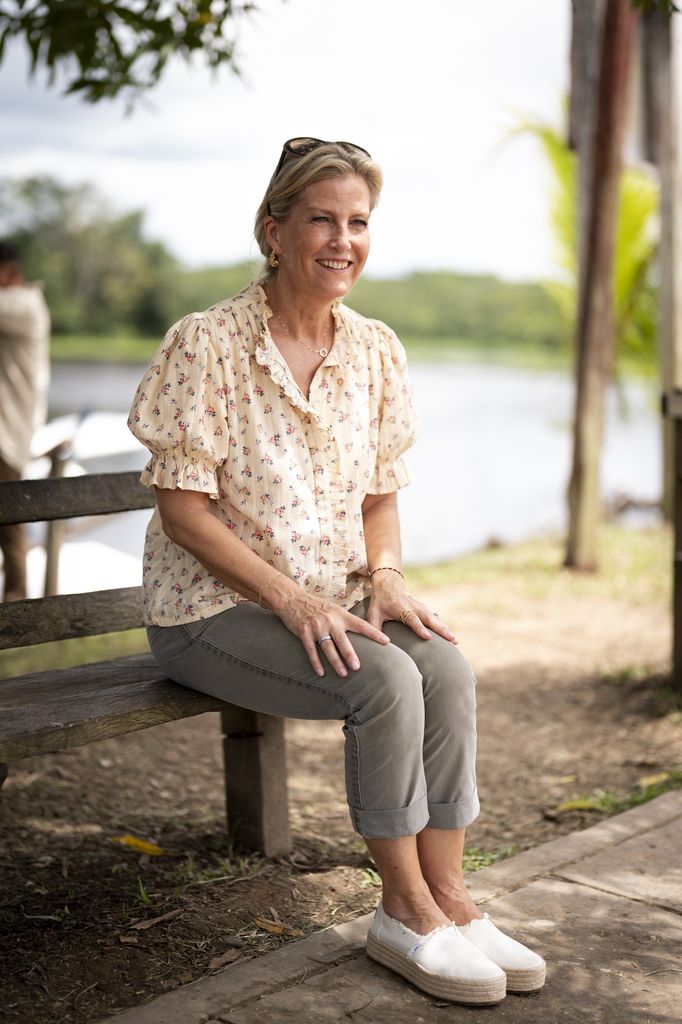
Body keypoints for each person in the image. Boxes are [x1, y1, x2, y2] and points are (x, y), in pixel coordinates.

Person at [128, 138, 545, 1005]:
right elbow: (183, 512)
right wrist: (289, 597)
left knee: (445, 665)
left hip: (334, 601)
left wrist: (386, 576)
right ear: (273, 231)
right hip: (209, 611)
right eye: (321, 218)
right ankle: (402, 910)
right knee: (385, 679)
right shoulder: (206, 344)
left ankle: (453, 900)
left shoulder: (376, 349)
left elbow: (380, 495)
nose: (341, 239)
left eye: (358, 222)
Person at [0, 241, 50, 602]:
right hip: (8, 432)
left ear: (10, 273)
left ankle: (16, 606)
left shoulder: (21, 305)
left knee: (10, 524)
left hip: (6, 435)